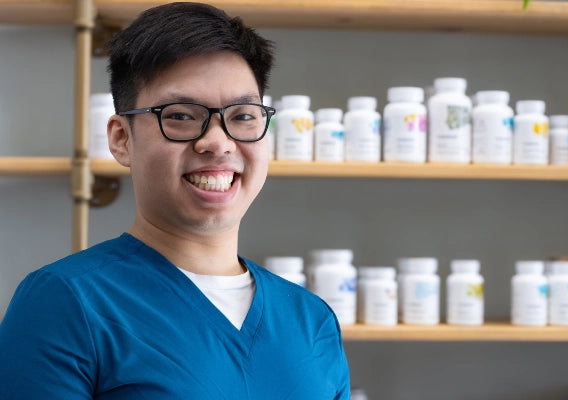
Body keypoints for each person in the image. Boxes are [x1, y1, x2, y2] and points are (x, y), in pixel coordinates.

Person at [0, 3, 350, 399]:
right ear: (121, 139)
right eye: (181, 116)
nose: (217, 142)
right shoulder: (65, 302)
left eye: (243, 116)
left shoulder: (310, 319)